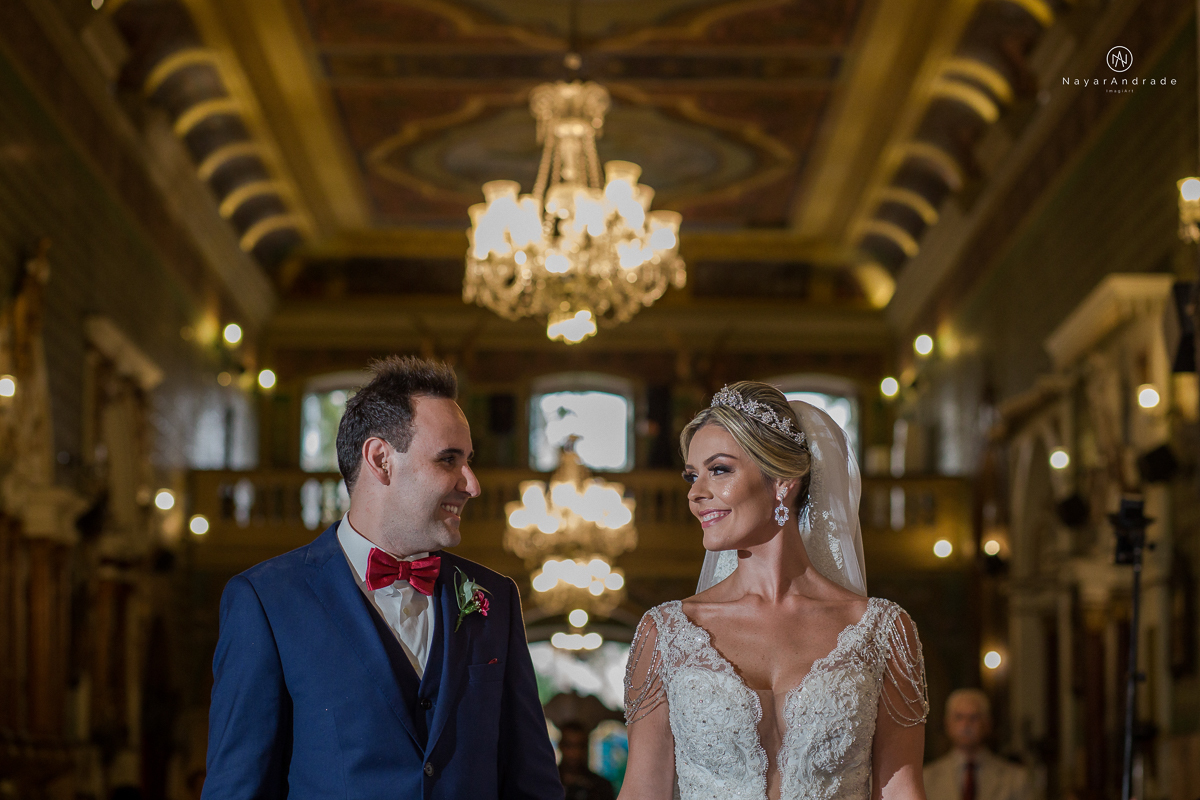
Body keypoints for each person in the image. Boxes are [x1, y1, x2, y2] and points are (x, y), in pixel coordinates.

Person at [203, 356, 562, 800]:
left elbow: (533, 784)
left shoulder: (496, 599)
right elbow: (238, 789)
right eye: (449, 460)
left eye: (469, 460)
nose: (472, 484)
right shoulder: (267, 601)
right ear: (380, 459)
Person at [620, 382, 930, 800]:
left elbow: (902, 792)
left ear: (783, 480)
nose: (695, 493)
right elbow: (643, 792)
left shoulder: (884, 632)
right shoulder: (666, 633)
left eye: (720, 470)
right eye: (693, 476)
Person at [924, 690, 1031, 800]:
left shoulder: (1015, 779)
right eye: (959, 717)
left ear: (987, 724)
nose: (966, 725)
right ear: (947, 724)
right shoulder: (926, 778)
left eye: (974, 717)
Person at [559, 721, 615, 800]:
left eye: (580, 746)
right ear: (560, 746)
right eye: (568, 745)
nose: (574, 752)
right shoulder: (550, 782)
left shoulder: (600, 786)